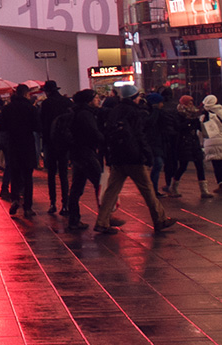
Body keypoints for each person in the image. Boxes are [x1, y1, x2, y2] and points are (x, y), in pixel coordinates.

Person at [95, 88, 175, 235]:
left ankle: (102, 222)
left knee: (111, 191)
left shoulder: (114, 111)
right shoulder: (134, 112)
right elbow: (139, 135)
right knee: (147, 190)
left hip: (117, 158)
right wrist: (147, 155)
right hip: (134, 158)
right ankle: (160, 219)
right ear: (134, 97)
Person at [62, 90, 103, 229]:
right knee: (101, 185)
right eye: (96, 98)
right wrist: (104, 140)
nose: (98, 100)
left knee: (77, 187)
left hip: (77, 153)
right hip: (86, 153)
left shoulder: (76, 112)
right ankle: (105, 219)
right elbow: (93, 133)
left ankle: (74, 219)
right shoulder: (86, 114)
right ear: (89, 100)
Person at [1, 85, 41, 216]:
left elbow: (2, 126)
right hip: (27, 144)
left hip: (13, 144)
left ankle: (15, 199)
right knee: (28, 177)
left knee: (15, 174)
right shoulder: (31, 108)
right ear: (26, 94)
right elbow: (37, 126)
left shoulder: (8, 108)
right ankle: (27, 206)